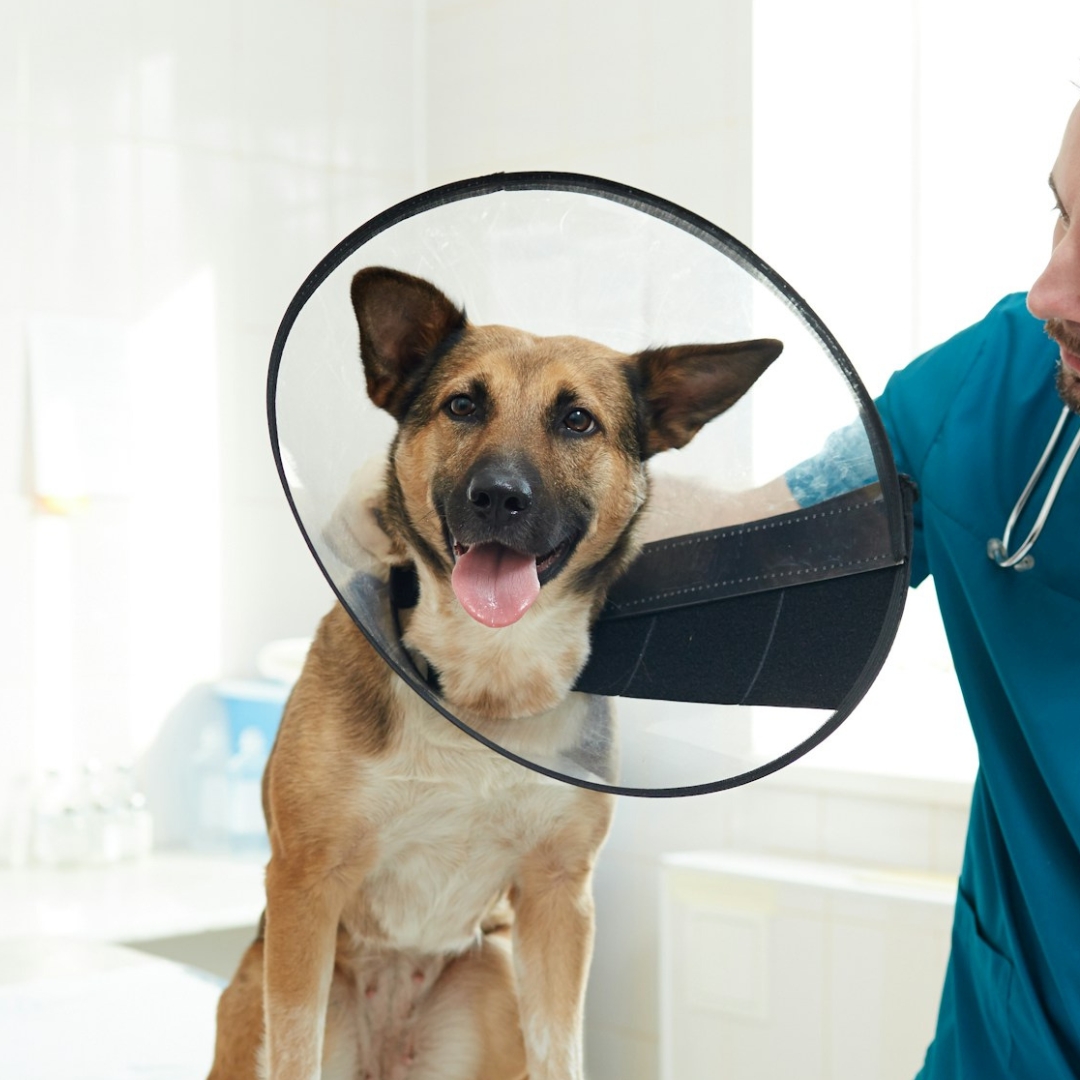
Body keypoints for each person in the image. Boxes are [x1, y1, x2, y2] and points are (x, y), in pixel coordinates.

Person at [781, 99, 1080, 1077]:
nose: (1050, 291)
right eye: (1063, 215)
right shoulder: (1002, 384)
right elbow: (751, 552)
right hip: (1007, 1042)